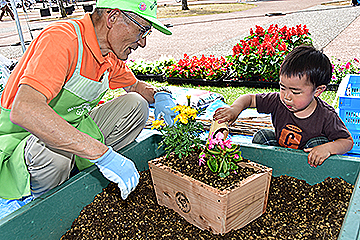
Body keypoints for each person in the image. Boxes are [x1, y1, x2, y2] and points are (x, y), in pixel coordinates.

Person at [0, 0, 176, 201]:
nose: (143, 42)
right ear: (113, 17)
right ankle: (45, 199)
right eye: (142, 30)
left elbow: (136, 87)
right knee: (55, 154)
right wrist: (103, 154)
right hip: (22, 141)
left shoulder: (109, 54)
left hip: (73, 130)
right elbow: (24, 110)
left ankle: (83, 170)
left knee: (136, 105)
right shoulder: (62, 39)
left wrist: (161, 96)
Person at [214, 45, 353, 168]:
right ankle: (271, 169)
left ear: (318, 91)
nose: (286, 96)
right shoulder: (277, 101)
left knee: (317, 143)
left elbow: (347, 142)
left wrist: (328, 148)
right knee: (261, 136)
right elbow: (249, 99)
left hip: (309, 161)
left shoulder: (326, 115)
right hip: (282, 151)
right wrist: (235, 109)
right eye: (282, 87)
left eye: (295, 92)